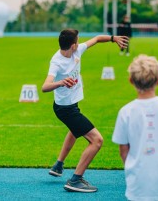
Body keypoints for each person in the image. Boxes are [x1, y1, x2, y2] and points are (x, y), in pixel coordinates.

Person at [41, 29, 128, 193]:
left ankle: (58, 165)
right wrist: (60, 83)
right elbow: (45, 87)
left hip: (71, 105)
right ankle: (75, 179)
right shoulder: (57, 62)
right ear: (73, 45)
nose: (80, 42)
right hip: (65, 109)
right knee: (97, 140)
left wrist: (112, 38)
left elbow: (96, 39)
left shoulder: (77, 50)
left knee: (74, 131)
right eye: (78, 40)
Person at [112, 54, 158, 201]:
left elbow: (123, 150)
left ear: (131, 81)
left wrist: (131, 168)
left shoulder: (126, 112)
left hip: (138, 186)